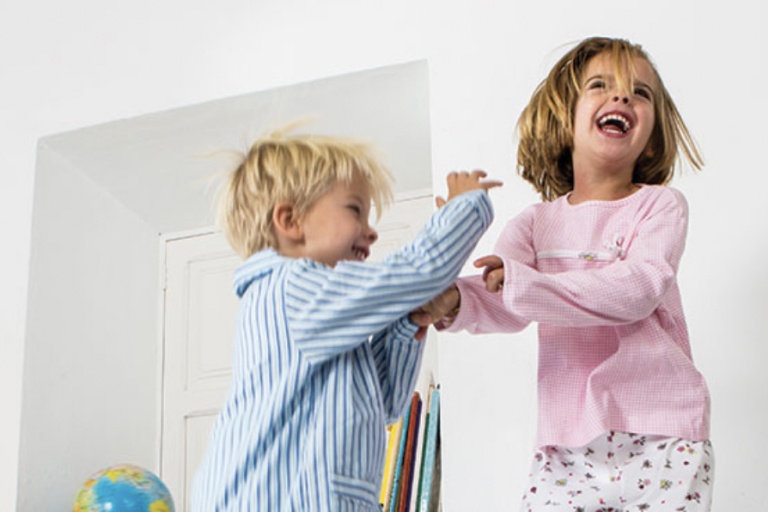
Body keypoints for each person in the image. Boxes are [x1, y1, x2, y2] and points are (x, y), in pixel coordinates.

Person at [413, 36, 714, 510]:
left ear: (652, 131)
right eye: (601, 85)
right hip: (564, 443)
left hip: (664, 434)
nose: (622, 97)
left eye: (640, 93)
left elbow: (636, 290)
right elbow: (503, 300)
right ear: (564, 117)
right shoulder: (534, 224)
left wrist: (527, 284)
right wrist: (453, 301)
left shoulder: (659, 206)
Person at [189, 127, 501, 511]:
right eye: (355, 210)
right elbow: (417, 271)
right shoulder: (292, 288)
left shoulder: (323, 314)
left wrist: (404, 323)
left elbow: (382, 404)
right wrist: (464, 207)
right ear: (290, 220)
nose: (371, 232)